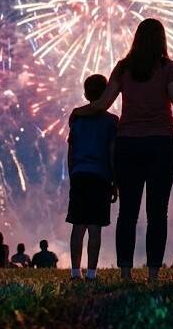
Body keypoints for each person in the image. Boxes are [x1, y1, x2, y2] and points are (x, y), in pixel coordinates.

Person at [72, 18, 173, 282]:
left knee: (127, 212)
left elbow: (102, 104)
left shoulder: (123, 68)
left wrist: (78, 111)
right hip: (161, 144)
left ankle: (126, 273)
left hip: (128, 144)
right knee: (157, 213)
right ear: (162, 40)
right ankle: (152, 274)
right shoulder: (168, 68)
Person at [67, 74, 119, 280]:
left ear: (86, 93)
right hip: (101, 177)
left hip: (80, 174)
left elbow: (71, 152)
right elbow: (113, 153)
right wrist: (115, 181)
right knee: (95, 226)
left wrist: (72, 175)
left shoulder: (77, 119)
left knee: (78, 225)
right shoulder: (112, 121)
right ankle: (91, 273)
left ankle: (75, 271)